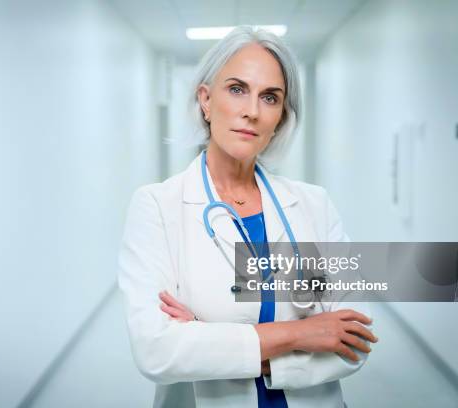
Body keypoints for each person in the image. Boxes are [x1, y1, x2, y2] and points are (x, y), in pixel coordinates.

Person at [117, 26, 377, 408]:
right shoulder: (157, 207)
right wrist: (302, 333)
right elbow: (156, 350)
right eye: (237, 89)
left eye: (269, 97)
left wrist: (209, 340)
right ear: (205, 100)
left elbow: (356, 337)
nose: (251, 111)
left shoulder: (313, 205)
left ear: (280, 119)